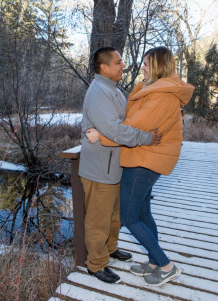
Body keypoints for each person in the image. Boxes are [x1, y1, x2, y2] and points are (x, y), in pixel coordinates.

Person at [87, 46, 194, 286]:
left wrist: (100, 137)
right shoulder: (155, 89)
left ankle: (166, 265)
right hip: (144, 156)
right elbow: (132, 123)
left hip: (144, 160)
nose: (141, 67)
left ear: (157, 66)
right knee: (143, 213)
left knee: (128, 217)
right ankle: (155, 262)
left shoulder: (161, 95)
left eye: (146, 63)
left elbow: (133, 127)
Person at [79, 47, 162, 284]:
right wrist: (146, 137)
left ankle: (110, 249)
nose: (123, 65)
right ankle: (95, 264)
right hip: (99, 169)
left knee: (115, 216)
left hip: (116, 167)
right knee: (98, 220)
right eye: (118, 62)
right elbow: (115, 129)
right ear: (104, 67)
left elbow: (126, 121)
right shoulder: (98, 92)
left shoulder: (114, 90)